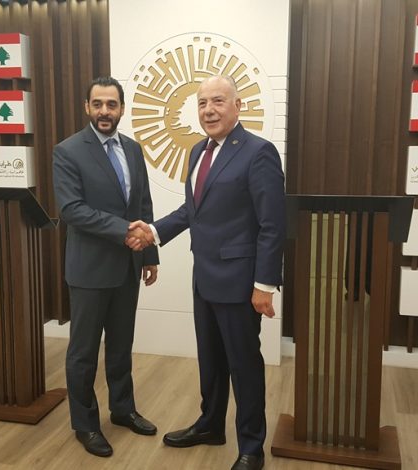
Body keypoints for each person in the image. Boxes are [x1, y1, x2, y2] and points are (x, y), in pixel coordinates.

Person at [128, 75, 286, 470]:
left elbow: (272, 225)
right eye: (202, 103)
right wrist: (153, 232)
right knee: (211, 361)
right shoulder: (198, 150)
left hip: (240, 283)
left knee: (244, 366)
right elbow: (191, 210)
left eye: (218, 101)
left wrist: (264, 285)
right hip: (205, 278)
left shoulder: (259, 153)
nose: (209, 110)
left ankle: (251, 447)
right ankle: (211, 425)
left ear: (238, 106)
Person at [52, 76, 159, 458]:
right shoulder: (67, 151)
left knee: (121, 346)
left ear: (121, 109)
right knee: (83, 353)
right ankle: (85, 424)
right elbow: (72, 209)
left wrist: (149, 255)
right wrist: (124, 231)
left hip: (128, 267)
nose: (104, 111)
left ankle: (123, 409)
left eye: (111, 104)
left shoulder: (132, 149)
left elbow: (142, 204)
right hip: (89, 271)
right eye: (97, 104)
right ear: (87, 107)